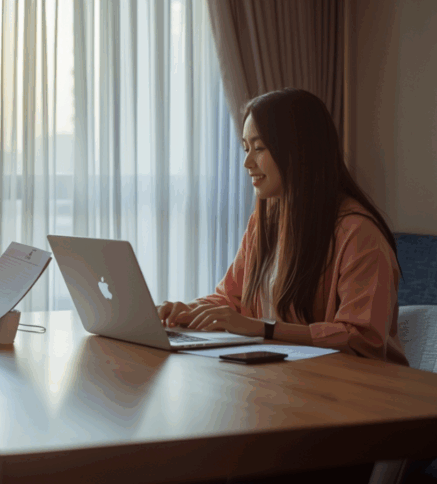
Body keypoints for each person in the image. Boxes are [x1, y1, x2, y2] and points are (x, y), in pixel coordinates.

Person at [158, 88, 407, 484]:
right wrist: (189, 311)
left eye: (259, 148)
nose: (247, 162)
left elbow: (363, 338)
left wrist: (262, 328)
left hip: (346, 420)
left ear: (298, 151)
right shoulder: (267, 219)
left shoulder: (358, 233)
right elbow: (231, 298)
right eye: (245, 147)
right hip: (285, 399)